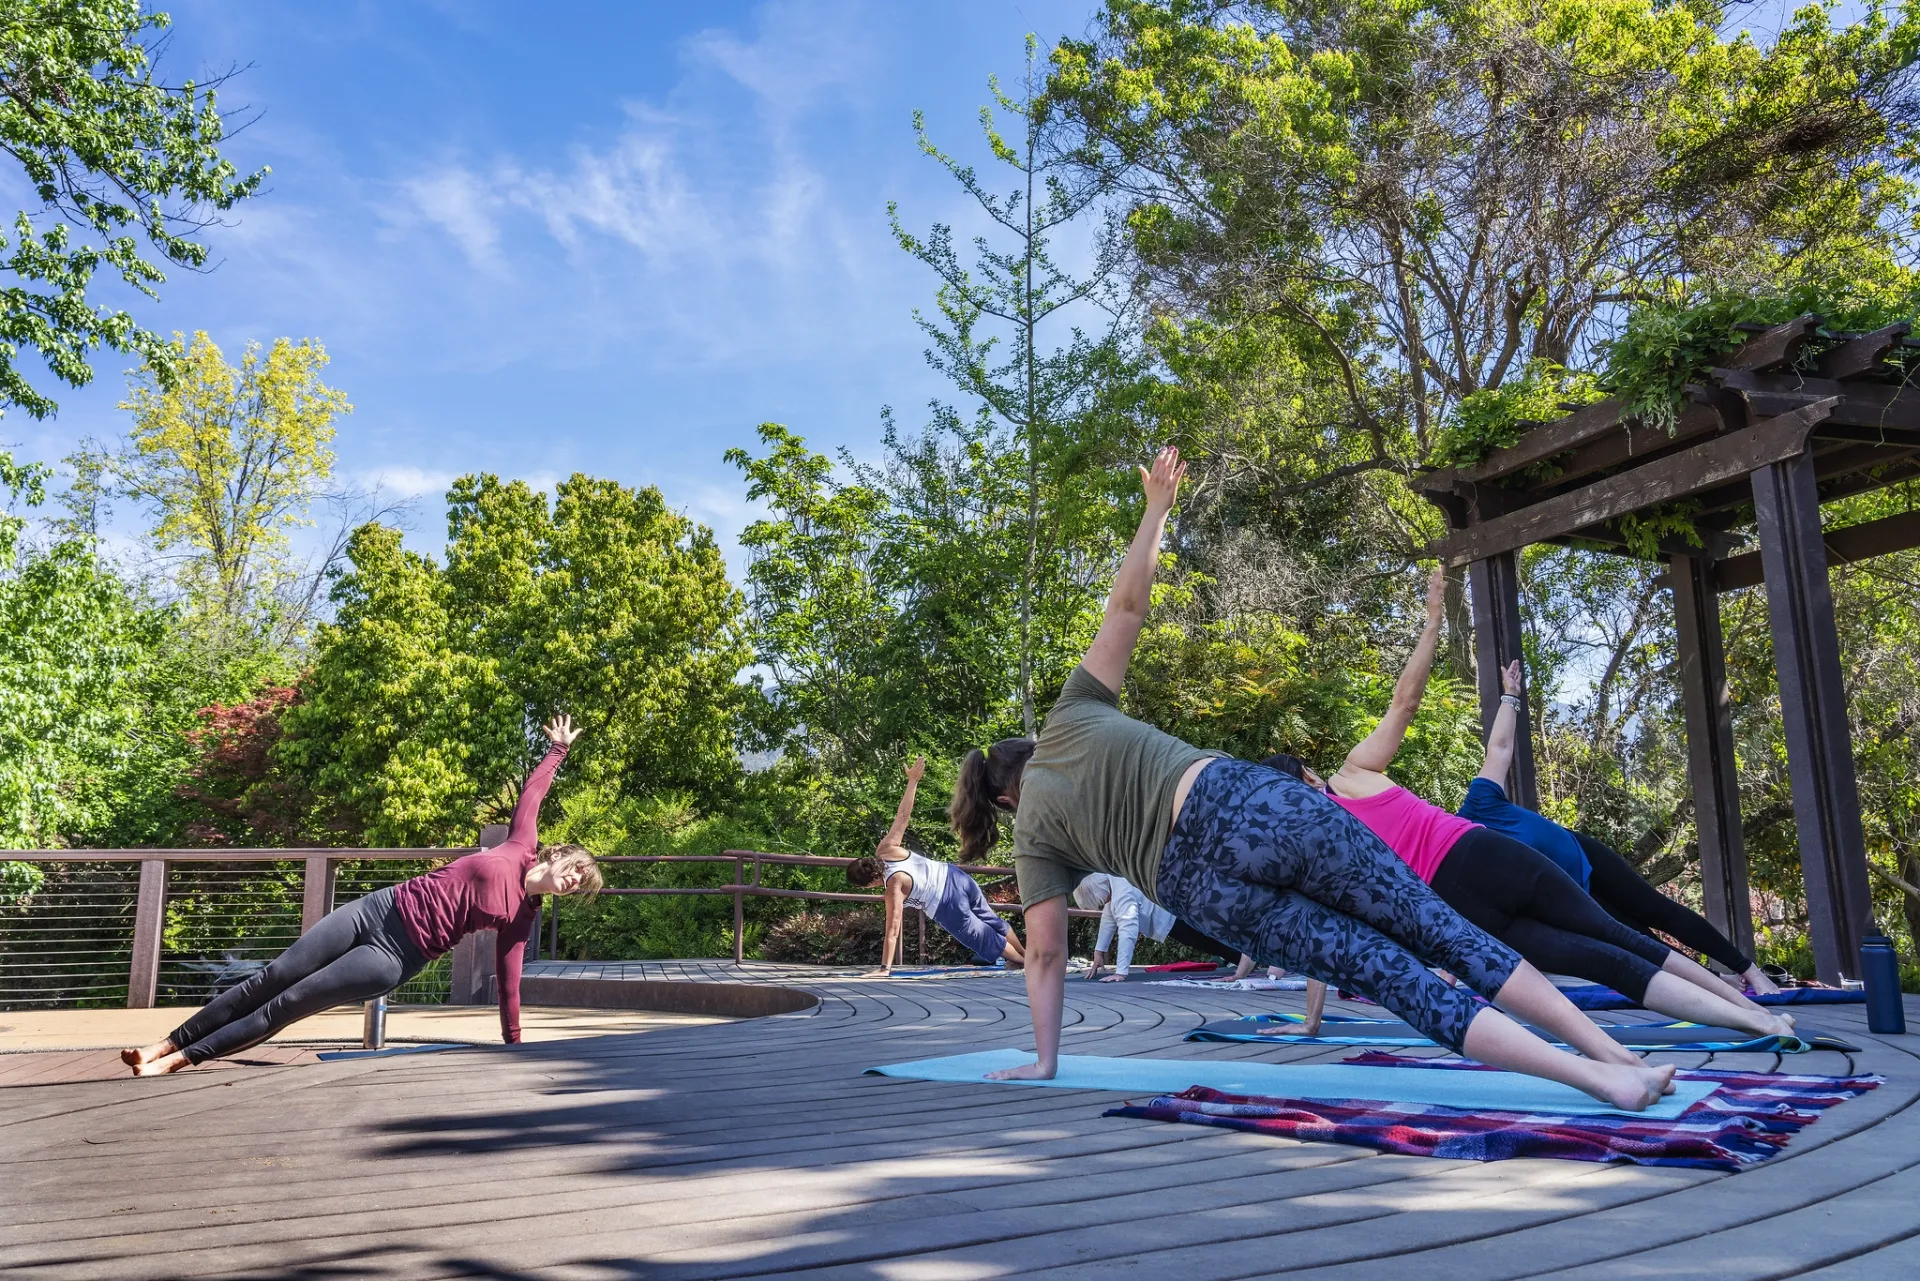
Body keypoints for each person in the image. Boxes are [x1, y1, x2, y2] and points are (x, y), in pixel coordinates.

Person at [951, 447, 1676, 1112]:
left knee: (1395, 976)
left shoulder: (1034, 830)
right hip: (1243, 803)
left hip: (1201, 888)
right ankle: (1615, 1054)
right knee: (1441, 929)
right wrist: (1155, 511)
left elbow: (1045, 952)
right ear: (1034, 746)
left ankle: (1599, 1079)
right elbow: (1128, 607)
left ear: (1004, 796)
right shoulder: (1072, 712)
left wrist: (1045, 1059)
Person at [1261, 568, 1793, 1042]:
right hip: (1483, 857)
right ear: (1309, 774)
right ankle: (1756, 1013)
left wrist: (1312, 1022)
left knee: (1607, 962)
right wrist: (1430, 624)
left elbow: (1327, 943)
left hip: (1459, 910)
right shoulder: (1351, 776)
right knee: (1618, 937)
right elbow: (1406, 701)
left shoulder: (1314, 855)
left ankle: (1754, 1020)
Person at [121, 716, 602, 1076]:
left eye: (581, 883)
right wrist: (557, 749)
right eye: (577, 869)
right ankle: (163, 1044)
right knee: (273, 975)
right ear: (559, 856)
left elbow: (509, 982)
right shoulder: (519, 844)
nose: (575, 880)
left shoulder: (522, 917)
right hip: (378, 908)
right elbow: (533, 793)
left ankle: (180, 1060)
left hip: (395, 955)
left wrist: (515, 1045)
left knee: (289, 1002)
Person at [1461, 658, 1781, 997]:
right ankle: (1718, 984)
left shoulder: (1477, 804)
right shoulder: (1462, 866)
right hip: (1569, 896)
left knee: (1659, 911)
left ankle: (1750, 972)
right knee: (1640, 942)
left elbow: (1500, 748)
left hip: (1582, 855)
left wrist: (1511, 696)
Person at [847, 755, 1025, 974]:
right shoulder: (885, 849)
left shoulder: (893, 885)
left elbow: (893, 929)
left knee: (981, 936)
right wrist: (912, 781)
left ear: (871, 882)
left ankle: (1025, 963)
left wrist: (884, 968)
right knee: (991, 919)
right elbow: (903, 817)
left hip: (945, 902)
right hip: (955, 876)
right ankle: (1025, 955)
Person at [1072, 873, 1257, 982]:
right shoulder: (1115, 882)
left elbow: (1128, 931)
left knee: (1210, 940)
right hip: (1172, 916)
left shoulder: (1121, 894)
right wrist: (1099, 952)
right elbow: (1108, 919)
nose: (1101, 904)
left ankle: (1251, 957)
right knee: (1210, 939)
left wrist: (1121, 972)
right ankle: (1249, 958)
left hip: (1173, 918)